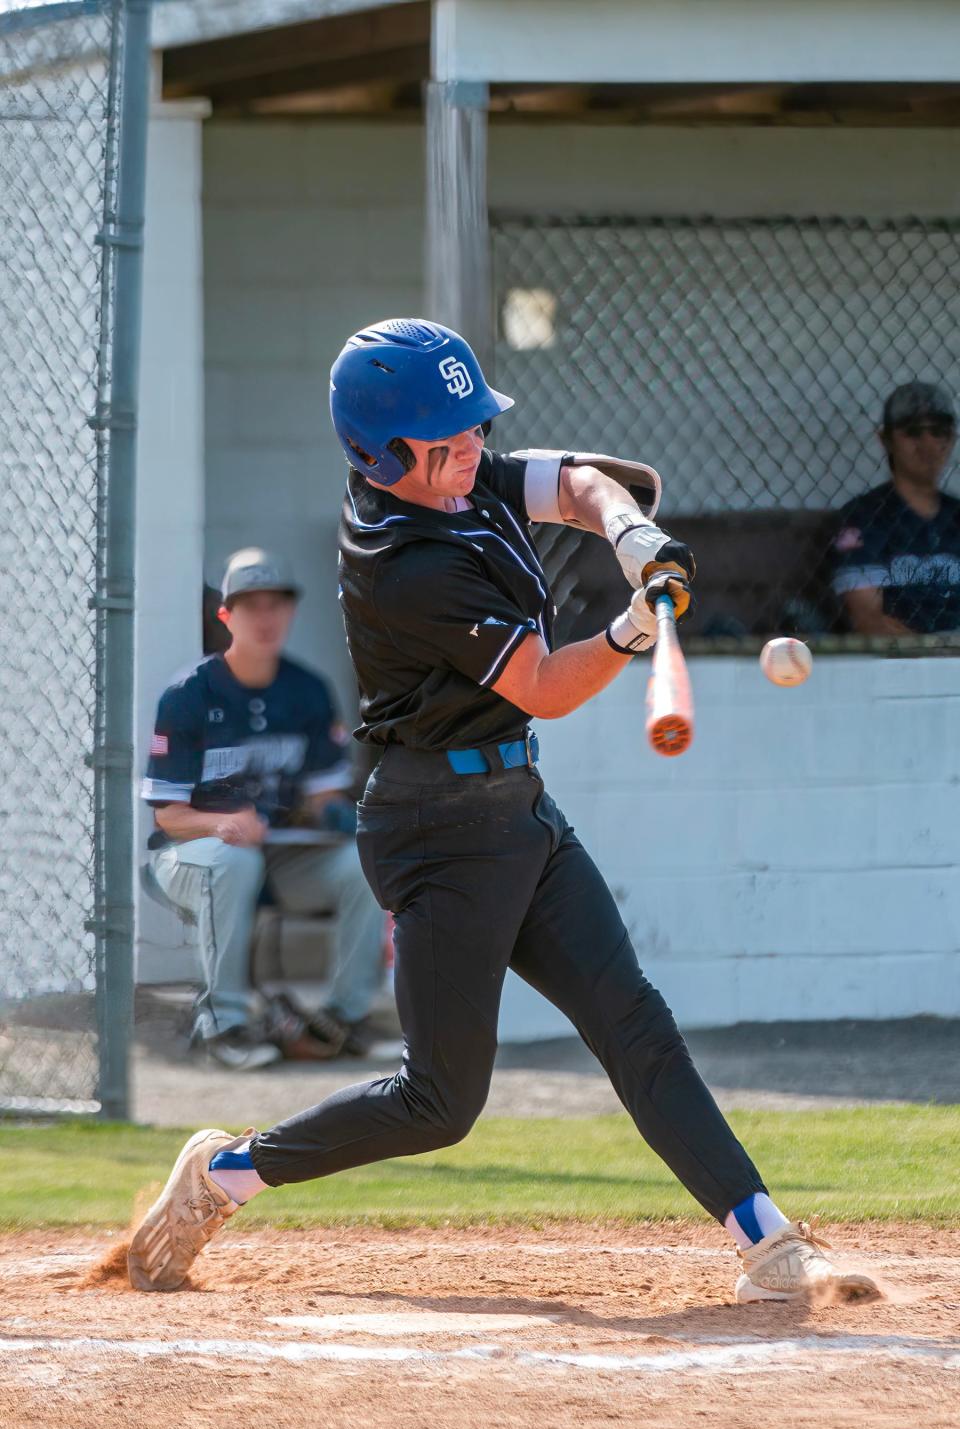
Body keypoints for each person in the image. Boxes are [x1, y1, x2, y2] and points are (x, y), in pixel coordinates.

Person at [128, 320, 879, 1305]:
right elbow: (545, 685)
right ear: (380, 454)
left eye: (475, 429)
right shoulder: (404, 563)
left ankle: (769, 1241)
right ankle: (222, 1176)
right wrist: (629, 626)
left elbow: (584, 480)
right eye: (448, 441)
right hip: (435, 829)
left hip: (514, 805)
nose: (473, 451)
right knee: (440, 1103)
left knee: (633, 1022)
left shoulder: (457, 471)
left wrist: (633, 537)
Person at [141, 548, 386, 1070]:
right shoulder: (187, 695)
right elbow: (168, 817)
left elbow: (321, 799)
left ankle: (345, 1017)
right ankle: (225, 1025)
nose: (266, 617)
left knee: (365, 865)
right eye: (251, 606)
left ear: (290, 612)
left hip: (277, 853)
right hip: (189, 856)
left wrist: (349, 822)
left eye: (276, 604)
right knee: (235, 860)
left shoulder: (308, 691)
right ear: (225, 616)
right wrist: (220, 823)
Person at [832, 381, 960, 636]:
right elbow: (868, 620)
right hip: (898, 663)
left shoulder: (956, 515)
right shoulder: (863, 516)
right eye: (913, 432)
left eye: (938, 431)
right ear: (886, 439)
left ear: (952, 438)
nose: (927, 444)